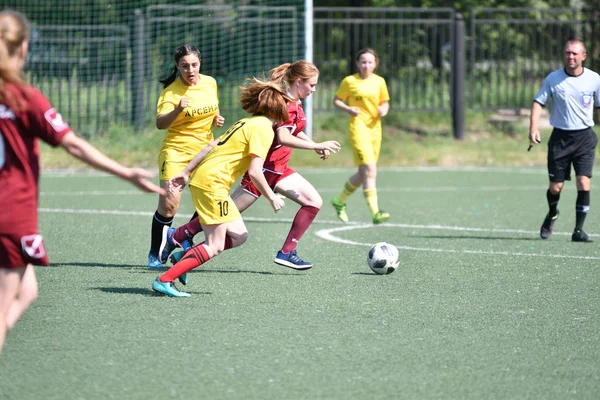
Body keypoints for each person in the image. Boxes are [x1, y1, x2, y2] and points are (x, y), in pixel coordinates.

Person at [0, 10, 165, 353]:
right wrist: (127, 172)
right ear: (23, 49)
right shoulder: (23, 98)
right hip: (10, 213)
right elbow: (72, 144)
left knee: (27, 290)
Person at [159, 61, 341, 270]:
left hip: (280, 169)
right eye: (312, 85)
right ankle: (179, 237)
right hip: (263, 170)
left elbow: (292, 130)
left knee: (313, 201)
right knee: (222, 217)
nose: (314, 89)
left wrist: (312, 145)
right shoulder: (287, 105)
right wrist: (316, 144)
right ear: (298, 82)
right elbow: (282, 137)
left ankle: (287, 252)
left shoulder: (295, 101)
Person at [151, 78, 293, 297]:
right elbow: (255, 172)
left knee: (239, 235)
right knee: (215, 244)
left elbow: (211, 144)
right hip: (212, 185)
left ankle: (182, 258)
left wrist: (187, 172)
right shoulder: (264, 129)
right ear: (278, 109)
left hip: (208, 180)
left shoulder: (246, 122)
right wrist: (271, 197)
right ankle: (164, 279)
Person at [147, 44, 225, 269]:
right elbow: (160, 124)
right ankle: (155, 254)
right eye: (184, 66)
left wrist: (216, 118)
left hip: (204, 151)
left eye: (194, 65)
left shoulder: (210, 82)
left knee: (208, 198)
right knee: (169, 205)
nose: (190, 70)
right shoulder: (171, 92)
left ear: (199, 63)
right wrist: (178, 110)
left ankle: (186, 236)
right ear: (177, 66)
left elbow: (213, 107)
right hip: (176, 152)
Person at [529, 38, 600, 242]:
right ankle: (552, 212)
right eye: (568, 53)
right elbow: (537, 102)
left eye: (575, 53)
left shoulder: (595, 79)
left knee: (583, 181)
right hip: (560, 138)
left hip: (585, 137)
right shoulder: (553, 78)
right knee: (556, 187)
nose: (570, 56)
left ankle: (578, 230)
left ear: (583, 57)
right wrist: (533, 128)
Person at [330, 48, 391, 225]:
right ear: (357, 63)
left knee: (364, 172)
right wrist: (348, 109)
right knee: (371, 170)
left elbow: (385, 103)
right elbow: (337, 100)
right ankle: (375, 212)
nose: (366, 65)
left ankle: (339, 201)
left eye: (370, 62)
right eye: (363, 62)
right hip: (358, 129)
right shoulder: (349, 81)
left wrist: (383, 110)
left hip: (375, 130)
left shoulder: (380, 81)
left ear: (375, 63)